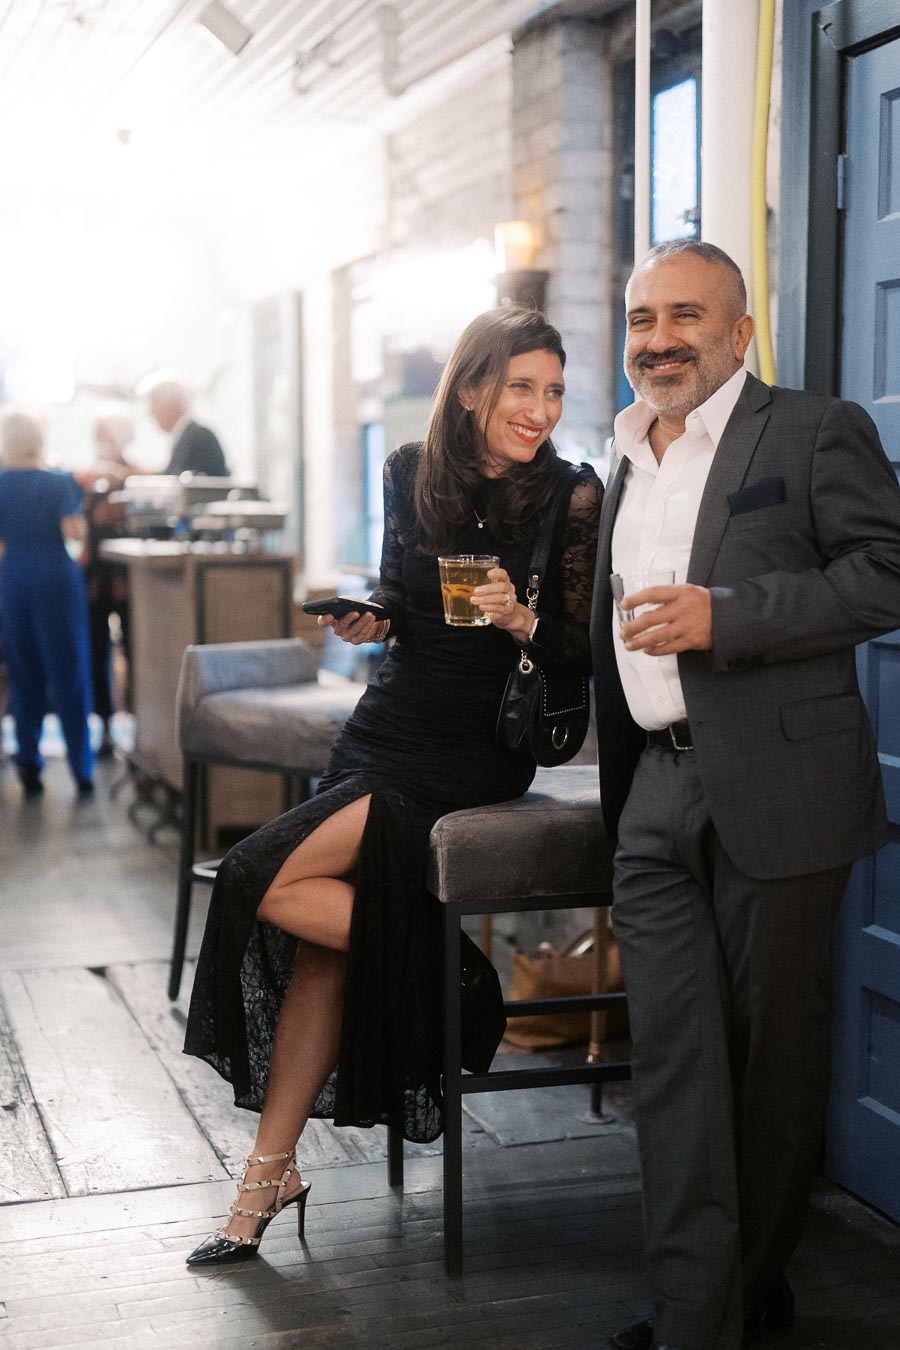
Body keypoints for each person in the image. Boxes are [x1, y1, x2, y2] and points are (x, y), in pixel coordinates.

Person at [183, 305, 603, 1265]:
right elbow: (406, 602)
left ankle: (460, 984)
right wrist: (374, 621)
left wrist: (523, 618)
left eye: (553, 391)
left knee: (264, 876)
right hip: (389, 722)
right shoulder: (409, 472)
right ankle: (266, 1177)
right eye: (521, 388)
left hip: (476, 745)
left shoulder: (572, 496)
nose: (539, 409)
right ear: (471, 389)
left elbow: (585, 650)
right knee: (323, 949)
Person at [591, 240, 900, 1350]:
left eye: (684, 315)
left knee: (770, 1067)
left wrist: (732, 615)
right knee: (673, 1065)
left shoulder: (813, 430)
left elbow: (888, 572)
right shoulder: (623, 454)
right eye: (640, 319)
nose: (657, 339)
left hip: (782, 790)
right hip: (653, 794)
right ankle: (695, 1317)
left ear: (738, 332)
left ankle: (743, 1300)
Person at [0, 408, 95, 797]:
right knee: (68, 671)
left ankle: (27, 761)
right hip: (56, 577)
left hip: (14, 578)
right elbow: (73, 533)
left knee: (24, 672)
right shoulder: (59, 482)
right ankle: (81, 768)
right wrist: (78, 551)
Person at [77, 404, 141, 756]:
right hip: (94, 581)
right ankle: (103, 728)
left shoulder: (141, 474)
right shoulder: (83, 476)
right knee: (96, 652)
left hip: (132, 582)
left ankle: (143, 725)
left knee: (138, 652)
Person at [139, 374, 228, 476]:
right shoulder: (187, 434)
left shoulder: (198, 436)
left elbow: (177, 481)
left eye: (154, 404)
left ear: (172, 404)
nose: (151, 412)